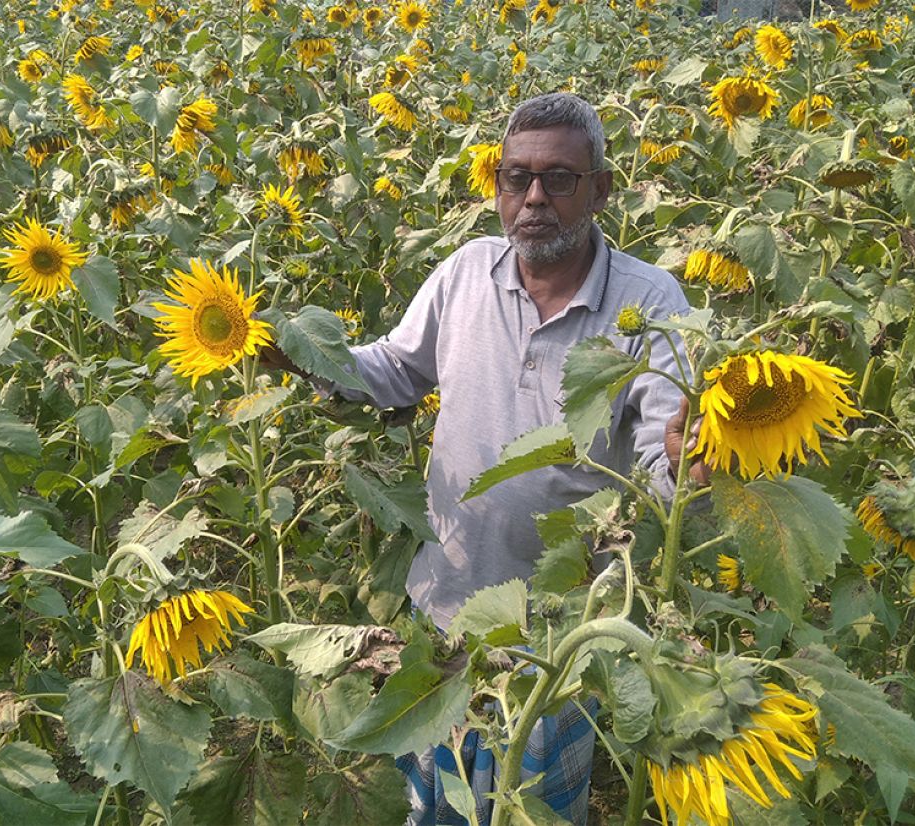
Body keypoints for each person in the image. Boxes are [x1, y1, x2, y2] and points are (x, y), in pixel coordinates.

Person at [268, 93, 703, 825]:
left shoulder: (649, 304)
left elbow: (669, 470)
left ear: (601, 188)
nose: (533, 197)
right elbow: (394, 370)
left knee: (531, 812)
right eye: (515, 177)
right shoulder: (469, 271)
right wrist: (300, 355)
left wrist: (690, 464)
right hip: (443, 610)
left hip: (559, 641)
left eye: (559, 179)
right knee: (431, 806)